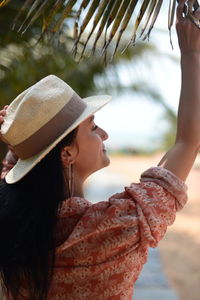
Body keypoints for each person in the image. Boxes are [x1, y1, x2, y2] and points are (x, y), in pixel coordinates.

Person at [0, 1, 200, 299]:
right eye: (93, 127)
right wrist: (192, 53)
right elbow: (188, 142)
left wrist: (22, 132)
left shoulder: (12, 221)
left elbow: (181, 150)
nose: (104, 133)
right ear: (66, 155)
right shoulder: (110, 231)